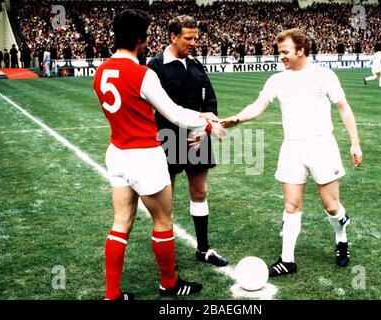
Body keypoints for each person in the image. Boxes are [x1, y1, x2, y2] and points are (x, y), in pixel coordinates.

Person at [93, 9, 224, 300]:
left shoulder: (101, 71)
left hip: (117, 153)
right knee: (163, 220)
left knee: (120, 223)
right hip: (144, 154)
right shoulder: (143, 74)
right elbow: (174, 113)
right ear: (139, 38)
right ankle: (170, 283)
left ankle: (112, 295)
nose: (149, 39)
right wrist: (207, 122)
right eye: (147, 34)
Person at [220, 29, 363, 277]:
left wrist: (355, 143)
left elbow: (344, 108)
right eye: (279, 52)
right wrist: (237, 119)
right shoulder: (277, 80)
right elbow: (258, 106)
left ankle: (341, 239)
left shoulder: (323, 75)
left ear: (301, 50)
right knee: (291, 205)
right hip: (292, 147)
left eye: (285, 52)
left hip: (321, 146)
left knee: (331, 207)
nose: (281, 57)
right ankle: (287, 261)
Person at [148, 15, 229, 268]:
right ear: (173, 37)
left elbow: (210, 103)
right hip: (168, 138)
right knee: (165, 200)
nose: (194, 42)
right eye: (188, 38)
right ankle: (168, 256)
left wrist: (205, 130)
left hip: (198, 137)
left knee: (200, 192)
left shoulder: (196, 65)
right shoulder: (156, 66)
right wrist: (194, 123)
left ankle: (203, 249)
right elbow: (159, 108)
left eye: (196, 37)